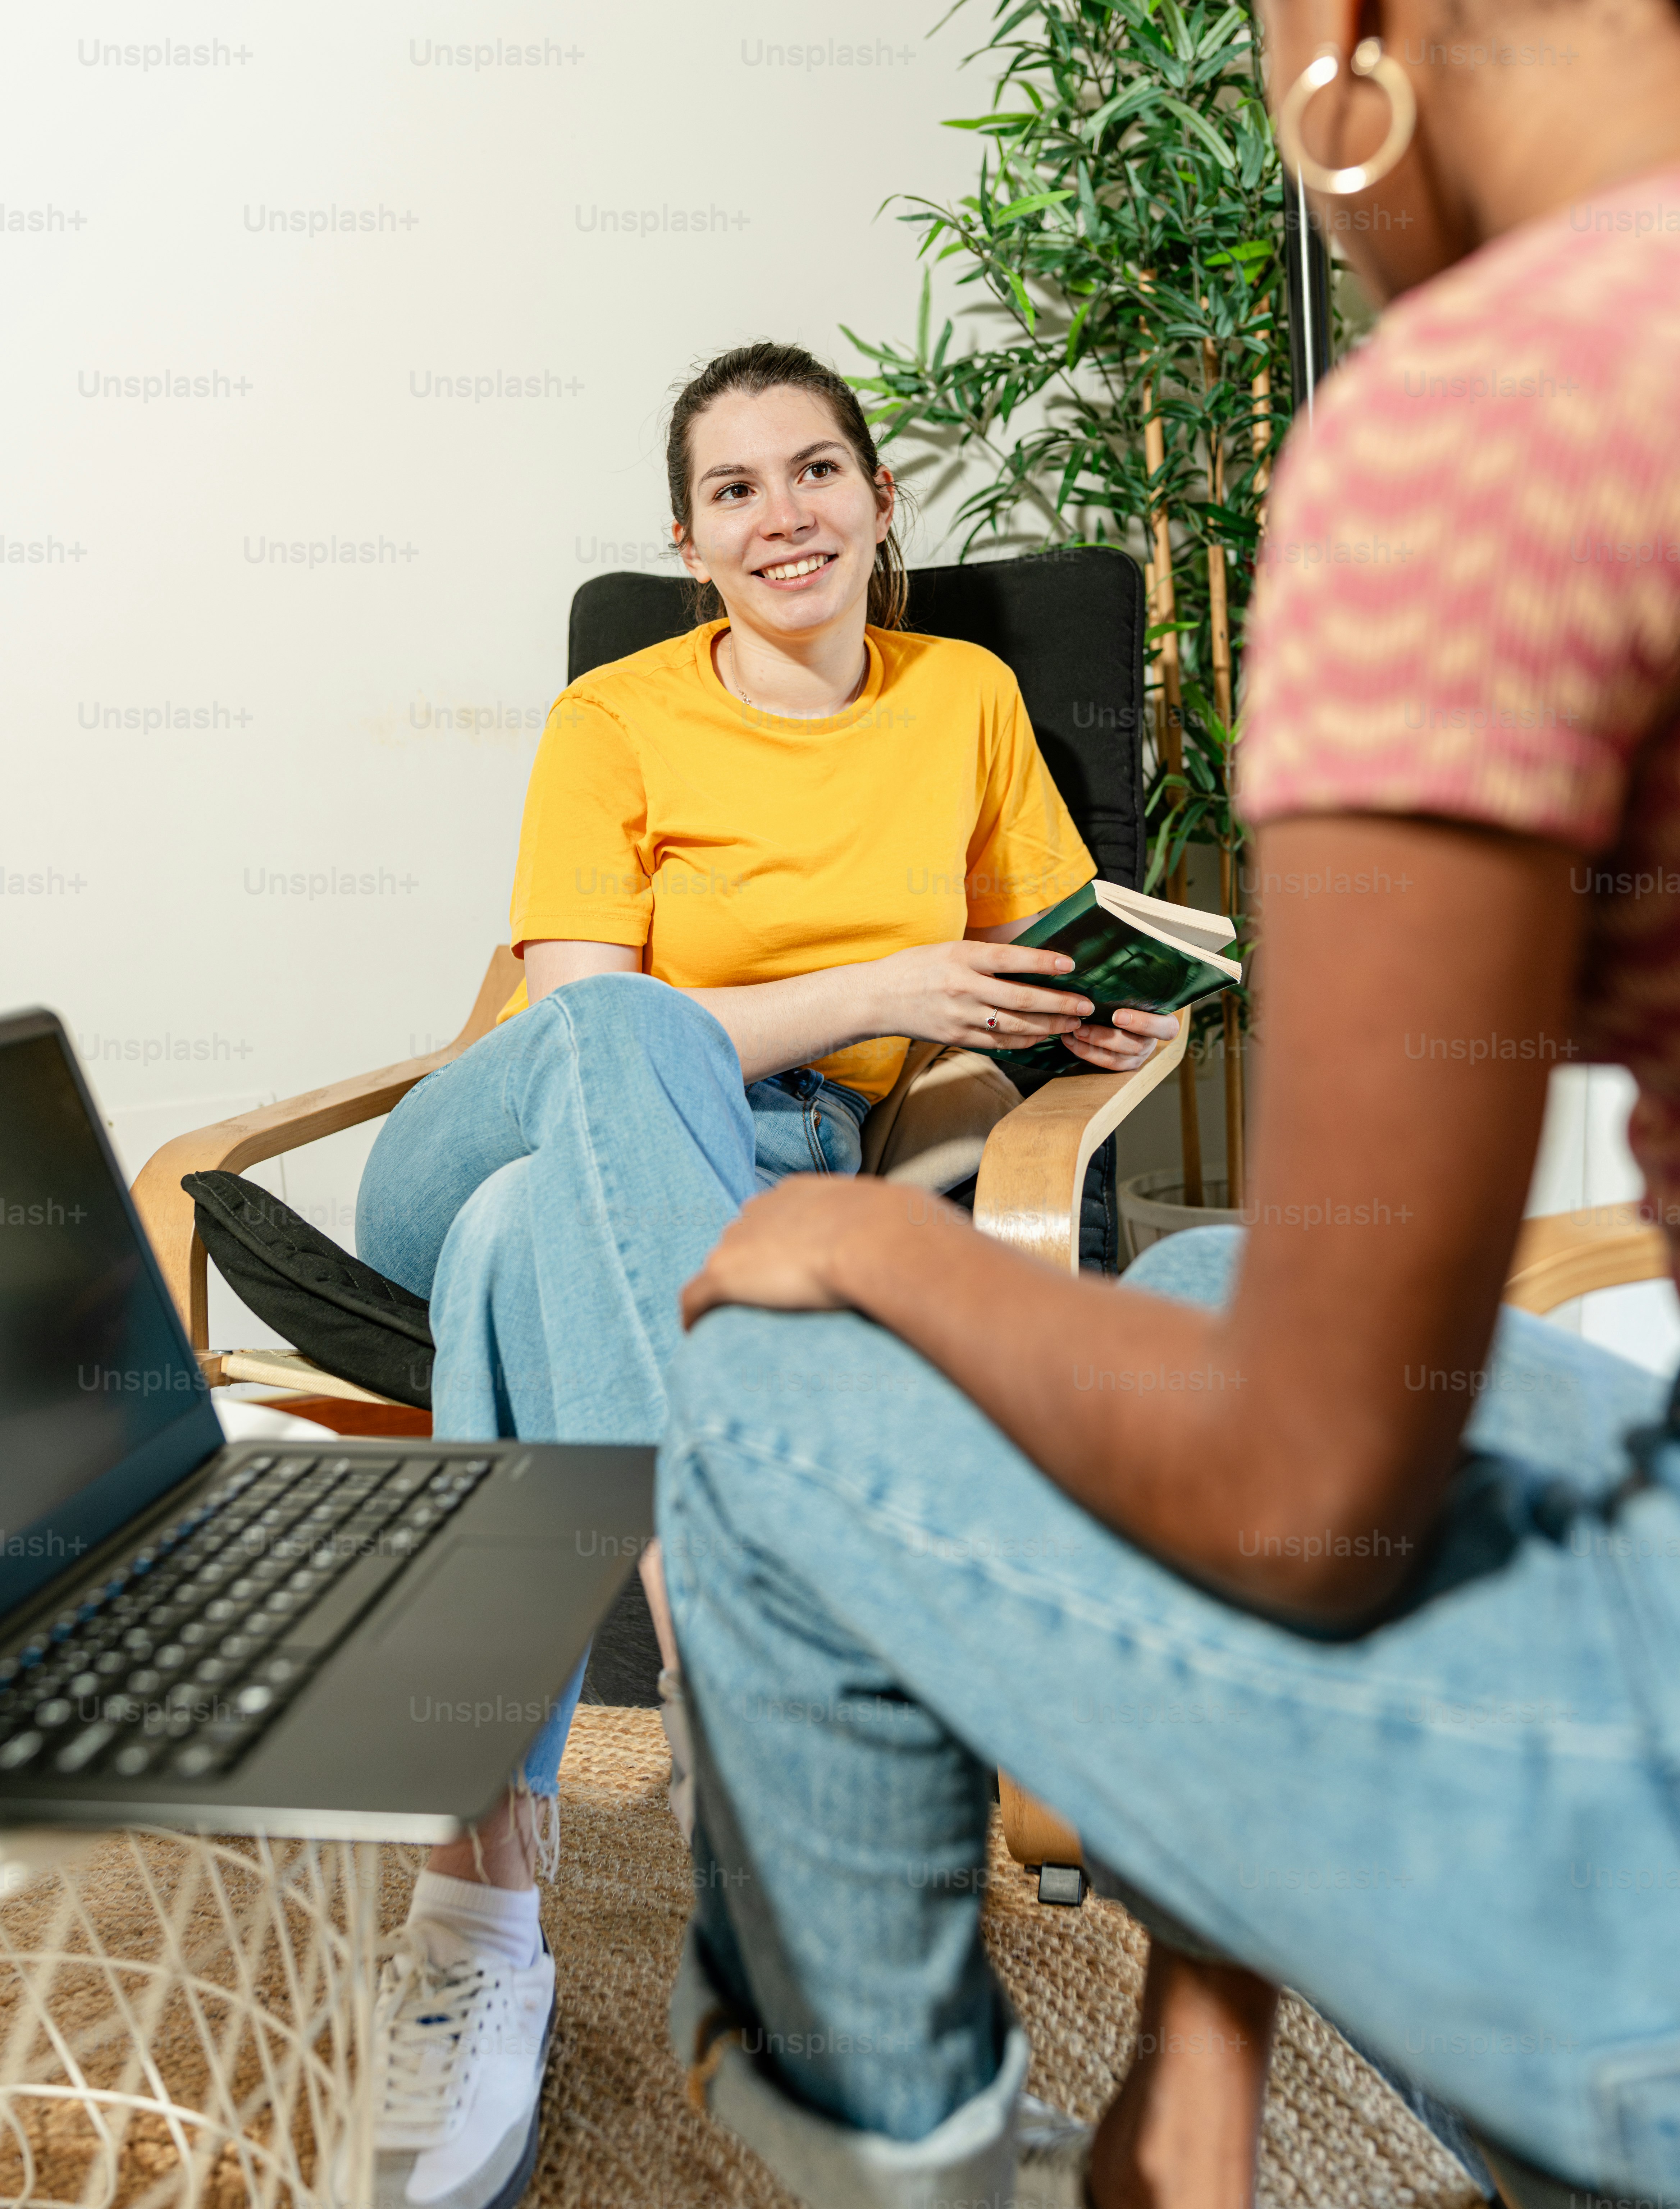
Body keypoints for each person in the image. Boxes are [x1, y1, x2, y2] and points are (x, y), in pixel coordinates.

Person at [647, 2, 1680, 2204]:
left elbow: (1310, 1494)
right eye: (730, 489)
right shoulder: (629, 718)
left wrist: (901, 1232)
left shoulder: (1490, 415)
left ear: (1348, 44)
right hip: (647, 1097)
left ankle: (904, 2149)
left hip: (1647, 1870)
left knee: (754, 1380)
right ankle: (1198, 2085)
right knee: (1213, 1269)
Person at [344, 342, 1176, 2209]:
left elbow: (1008, 1004)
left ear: (884, 504)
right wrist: (883, 990)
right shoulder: (619, 715)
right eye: (736, 490)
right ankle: (732, 1648)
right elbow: (576, 1027)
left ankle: (474, 1920)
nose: (782, 514)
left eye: (817, 472)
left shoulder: (959, 697)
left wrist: (1000, 1098)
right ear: (689, 538)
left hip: (712, 1175)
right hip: (501, 1116)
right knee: (594, 1075)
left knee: (511, 1262)